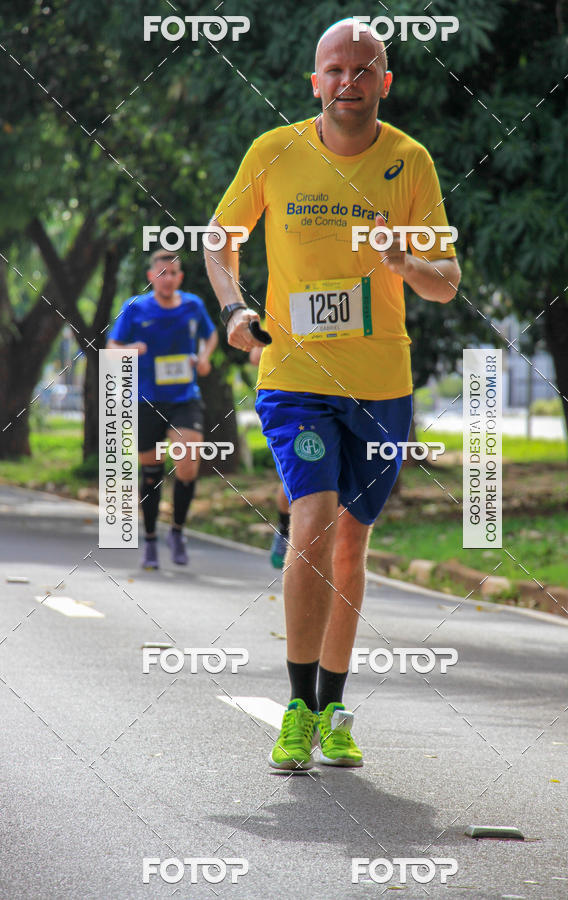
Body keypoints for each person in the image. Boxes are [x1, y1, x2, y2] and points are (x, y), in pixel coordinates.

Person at [205, 19, 460, 770]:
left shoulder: (409, 161)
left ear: (386, 82)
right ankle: (296, 704)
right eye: (334, 69)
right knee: (312, 521)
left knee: (352, 541)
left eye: (363, 69)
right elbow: (219, 240)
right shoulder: (274, 152)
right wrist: (233, 310)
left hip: (380, 385)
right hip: (295, 380)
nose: (348, 81)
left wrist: (405, 262)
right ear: (313, 82)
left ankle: (335, 706)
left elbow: (446, 284)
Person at [107, 251, 218, 569]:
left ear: (180, 278)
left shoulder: (193, 305)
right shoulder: (135, 307)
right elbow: (112, 347)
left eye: (173, 273)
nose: (167, 279)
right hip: (146, 400)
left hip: (185, 397)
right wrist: (131, 349)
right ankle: (152, 540)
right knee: (152, 473)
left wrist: (205, 356)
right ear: (151, 277)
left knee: (187, 463)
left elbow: (211, 336)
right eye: (162, 273)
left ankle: (178, 532)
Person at [249, 345, 290, 569]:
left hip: (340, 391)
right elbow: (256, 355)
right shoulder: (277, 317)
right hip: (292, 398)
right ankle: (284, 530)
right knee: (295, 479)